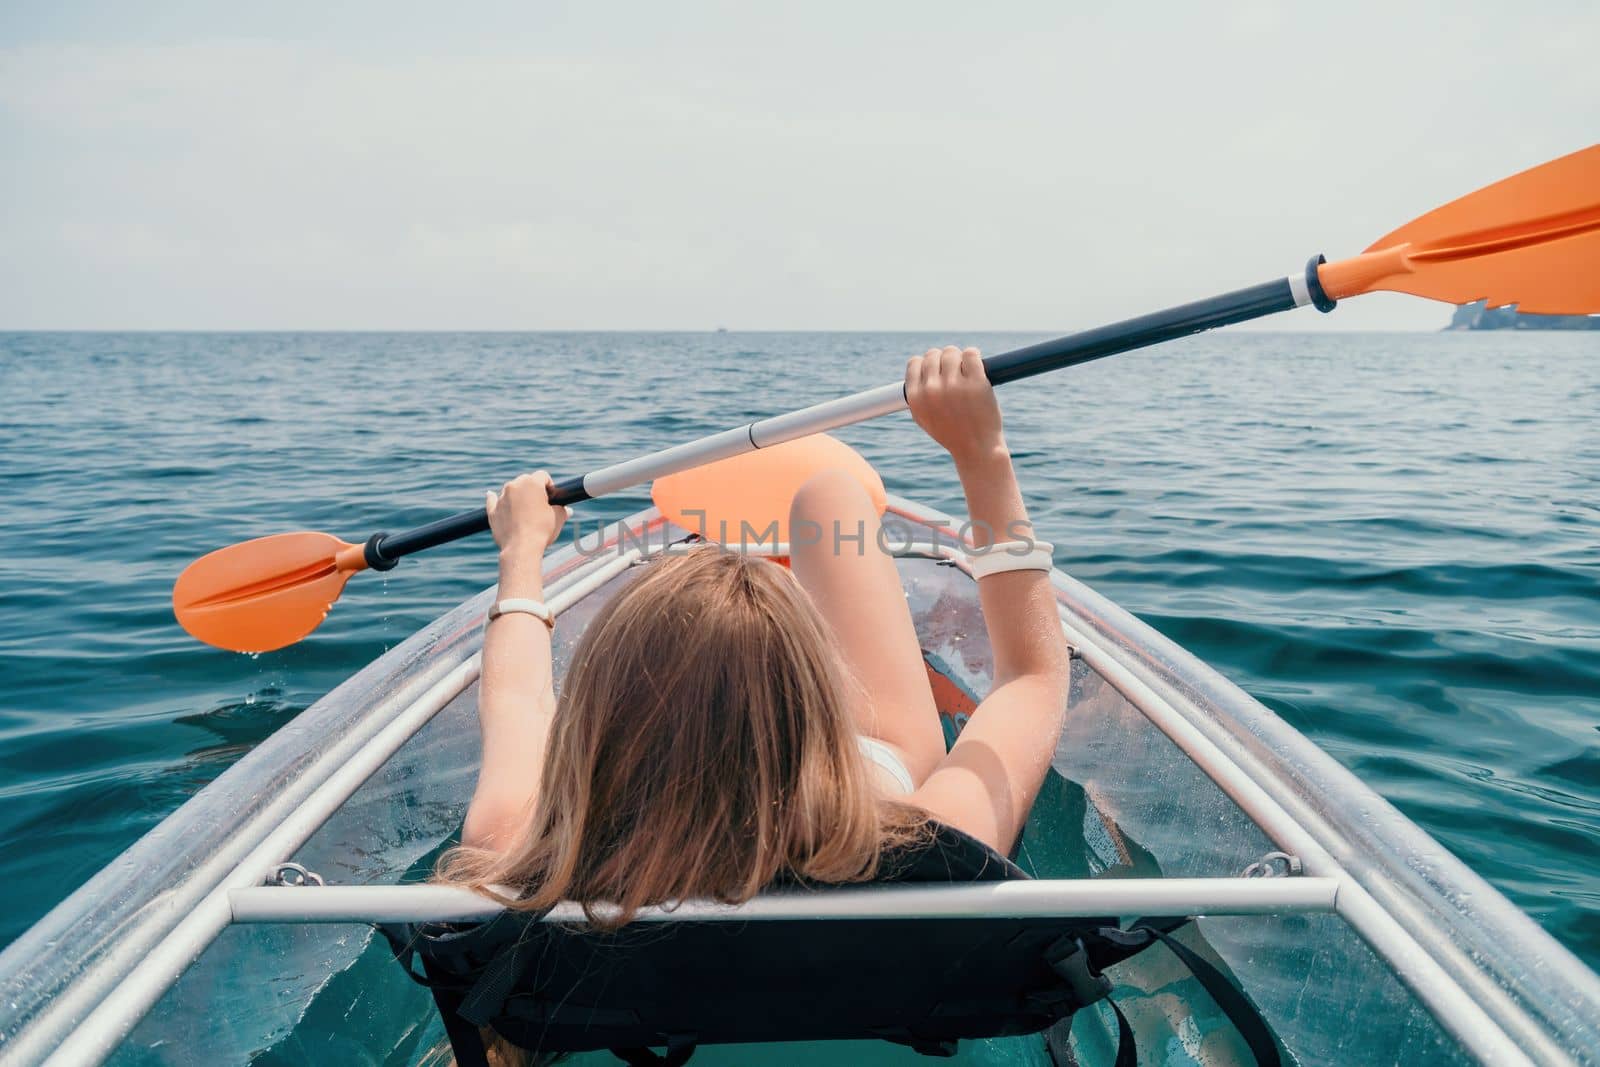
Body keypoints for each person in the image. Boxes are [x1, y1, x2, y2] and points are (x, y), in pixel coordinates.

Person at [437, 345, 1072, 925]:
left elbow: (518, 701)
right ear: (815, 699)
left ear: (600, 713)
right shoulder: (927, 845)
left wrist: (522, 551)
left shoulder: (514, 848)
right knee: (831, 496)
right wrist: (982, 456)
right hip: (865, 817)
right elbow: (1032, 678)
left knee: (828, 498)